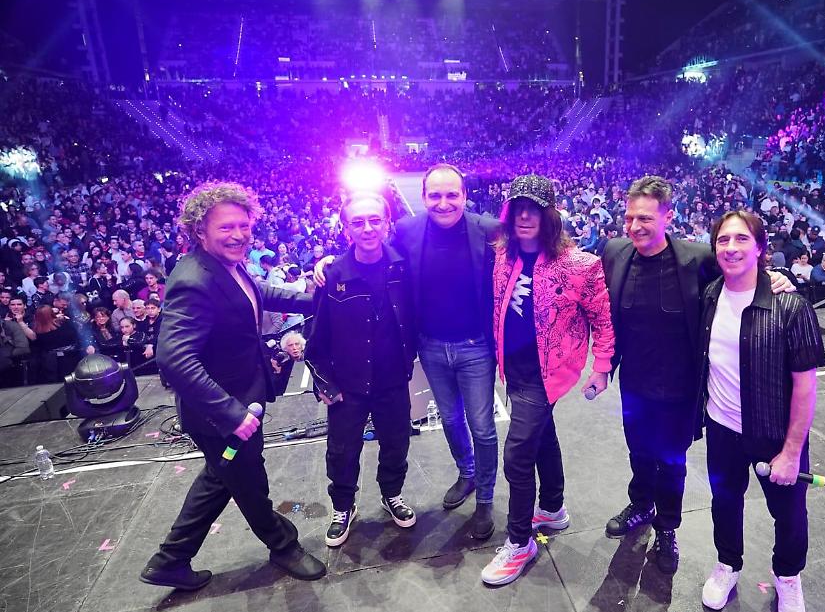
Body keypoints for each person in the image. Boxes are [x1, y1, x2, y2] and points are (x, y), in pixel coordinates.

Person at [600, 176, 795, 575]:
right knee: (639, 451)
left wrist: (772, 278)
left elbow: (739, 270)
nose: (635, 226)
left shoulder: (698, 259)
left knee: (672, 462)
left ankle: (667, 527)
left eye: (645, 218)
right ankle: (641, 504)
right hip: (634, 382)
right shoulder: (615, 253)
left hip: (680, 388)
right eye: (630, 217)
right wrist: (602, 366)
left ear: (667, 217)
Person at [141, 181, 325, 592]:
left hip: (239, 403)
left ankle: (170, 560)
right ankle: (283, 545)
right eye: (226, 227)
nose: (238, 235)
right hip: (223, 416)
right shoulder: (194, 280)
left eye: (243, 225)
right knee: (249, 481)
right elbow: (174, 359)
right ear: (200, 230)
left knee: (221, 474)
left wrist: (318, 299)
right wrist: (230, 414)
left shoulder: (225, 264)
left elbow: (258, 293)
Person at [315, 164, 502, 540]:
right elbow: (365, 252)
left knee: (481, 427)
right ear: (424, 196)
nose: (444, 202)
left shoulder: (489, 231)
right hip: (429, 347)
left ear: (465, 195)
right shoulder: (407, 232)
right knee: (449, 419)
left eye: (452, 194)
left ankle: (484, 497)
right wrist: (328, 263)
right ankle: (466, 473)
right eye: (435, 195)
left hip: (474, 347)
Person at [481, 174, 614, 586]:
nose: (525, 216)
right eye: (518, 208)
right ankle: (553, 509)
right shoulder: (502, 254)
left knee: (517, 455)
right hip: (514, 368)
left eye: (534, 209)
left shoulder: (580, 266)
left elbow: (602, 319)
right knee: (543, 437)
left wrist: (601, 367)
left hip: (549, 373)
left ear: (549, 215)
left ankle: (520, 542)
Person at [698, 210, 825, 612]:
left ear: (759, 248)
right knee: (724, 502)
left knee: (789, 514)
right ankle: (727, 564)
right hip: (722, 429)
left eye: (741, 239)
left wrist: (791, 452)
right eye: (723, 240)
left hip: (775, 434)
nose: (731, 247)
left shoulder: (790, 306)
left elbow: (805, 387)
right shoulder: (710, 296)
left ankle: (788, 576)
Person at [306, 193, 419, 548]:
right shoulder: (332, 274)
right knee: (342, 451)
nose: (367, 228)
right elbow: (316, 336)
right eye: (358, 222)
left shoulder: (404, 267)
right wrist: (324, 382)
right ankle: (343, 506)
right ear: (346, 229)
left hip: (392, 379)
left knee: (396, 443)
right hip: (347, 383)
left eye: (374, 220)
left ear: (387, 223)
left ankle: (392, 494)